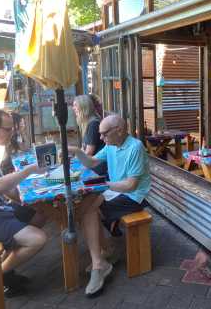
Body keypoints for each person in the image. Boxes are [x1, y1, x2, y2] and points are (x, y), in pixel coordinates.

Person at [69, 114, 151, 296]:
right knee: (87, 206)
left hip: (133, 196)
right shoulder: (111, 145)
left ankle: (101, 261)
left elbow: (131, 185)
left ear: (119, 131)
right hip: (116, 191)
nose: (100, 138)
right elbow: (91, 162)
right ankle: (103, 254)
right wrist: (77, 151)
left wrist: (102, 185)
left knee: (89, 209)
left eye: (104, 134)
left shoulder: (134, 147)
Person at [0, 110, 47, 297]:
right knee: (37, 239)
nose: (12, 133)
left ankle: (8, 267)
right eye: (7, 129)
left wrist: (28, 197)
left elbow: (3, 188)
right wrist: (29, 170)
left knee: (39, 213)